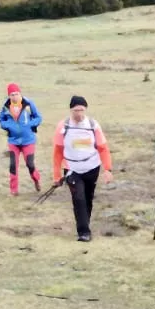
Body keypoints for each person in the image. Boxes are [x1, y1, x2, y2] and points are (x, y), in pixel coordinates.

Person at [52, 95, 114, 242]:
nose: (79, 114)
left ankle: (85, 222)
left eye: (81, 110)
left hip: (92, 168)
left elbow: (103, 148)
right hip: (72, 169)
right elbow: (57, 152)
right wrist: (56, 175)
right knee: (78, 198)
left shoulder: (93, 125)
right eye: (75, 110)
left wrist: (107, 169)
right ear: (70, 110)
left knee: (88, 198)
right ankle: (83, 232)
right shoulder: (63, 127)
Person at [0, 83, 43, 196]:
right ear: (9, 96)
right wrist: (7, 125)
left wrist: (30, 124)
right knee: (13, 166)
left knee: (30, 164)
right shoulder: (5, 106)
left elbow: (38, 117)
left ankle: (36, 179)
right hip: (13, 141)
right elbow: (1, 120)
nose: (14, 96)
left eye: (16, 94)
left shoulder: (28, 104)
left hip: (28, 141)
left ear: (20, 93)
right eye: (12, 94)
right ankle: (14, 191)